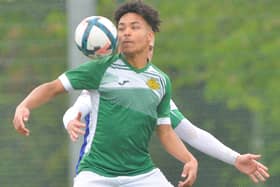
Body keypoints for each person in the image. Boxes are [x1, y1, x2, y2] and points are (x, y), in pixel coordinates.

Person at [13, 1, 198, 187]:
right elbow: (52, 88)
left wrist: (189, 159)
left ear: (150, 37)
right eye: (121, 28)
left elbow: (165, 131)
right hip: (95, 173)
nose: (126, 32)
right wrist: (25, 105)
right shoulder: (100, 69)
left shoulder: (160, 81)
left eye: (134, 27)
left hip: (141, 174)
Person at [63, 92, 270, 184]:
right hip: (97, 175)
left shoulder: (156, 90)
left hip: (139, 175)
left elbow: (191, 133)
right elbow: (73, 111)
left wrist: (234, 158)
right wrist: (71, 121)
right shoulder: (105, 82)